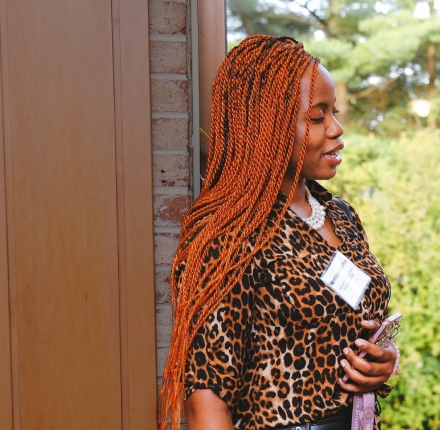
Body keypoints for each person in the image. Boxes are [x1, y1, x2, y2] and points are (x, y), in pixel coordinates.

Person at [158, 35, 398, 430]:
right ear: (267, 126)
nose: (337, 129)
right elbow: (206, 400)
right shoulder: (228, 235)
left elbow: (349, 324)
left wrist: (385, 361)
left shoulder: (341, 216)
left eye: (334, 112)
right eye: (318, 117)